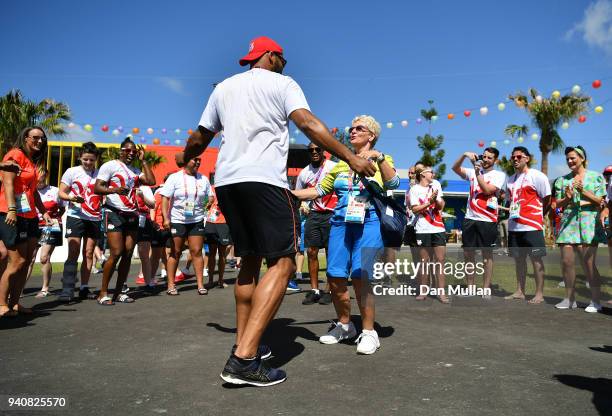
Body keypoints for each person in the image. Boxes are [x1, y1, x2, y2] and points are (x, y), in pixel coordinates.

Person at [180, 36, 375, 386]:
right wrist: (351, 157)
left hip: (227, 182)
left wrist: (184, 157)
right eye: (282, 58)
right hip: (264, 181)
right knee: (284, 263)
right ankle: (243, 359)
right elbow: (308, 124)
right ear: (271, 56)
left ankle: (246, 343)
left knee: (250, 261)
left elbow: (200, 137)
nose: (285, 63)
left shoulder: (223, 87)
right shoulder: (282, 83)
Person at [294, 115, 399, 354]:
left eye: (359, 129)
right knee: (334, 276)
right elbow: (320, 190)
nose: (352, 132)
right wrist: (291, 193)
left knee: (361, 275)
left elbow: (393, 183)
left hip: (370, 220)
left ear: (371, 135)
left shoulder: (383, 158)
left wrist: (379, 157)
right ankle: (345, 325)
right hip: (340, 222)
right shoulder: (340, 163)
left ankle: (370, 332)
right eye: (351, 129)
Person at [94, 138, 155, 305]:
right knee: (116, 252)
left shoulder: (135, 170)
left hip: (131, 214)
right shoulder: (110, 166)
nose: (131, 154)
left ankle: (119, 292)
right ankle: (103, 292)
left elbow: (151, 181)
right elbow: (97, 188)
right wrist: (114, 190)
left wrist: (143, 161)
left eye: (134, 152)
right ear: (120, 151)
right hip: (113, 212)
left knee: (128, 253)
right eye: (127, 151)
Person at [0, 126, 51, 317]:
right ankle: (1, 303)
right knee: (16, 261)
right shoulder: (15, 154)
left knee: (27, 260)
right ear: (26, 138)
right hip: (12, 213)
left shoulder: (31, 161)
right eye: (35, 138)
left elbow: (33, 191)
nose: (39, 141)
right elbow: (8, 182)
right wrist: (12, 209)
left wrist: (43, 211)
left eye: (42, 139)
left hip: (30, 216)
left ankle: (15, 303)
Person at [554, 146, 606, 313]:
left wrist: (582, 190)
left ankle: (596, 301)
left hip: (588, 221)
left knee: (588, 263)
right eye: (567, 159)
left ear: (582, 158)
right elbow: (556, 205)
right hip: (568, 220)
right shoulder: (562, 180)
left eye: (573, 158)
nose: (569, 161)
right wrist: (567, 198)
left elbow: (601, 202)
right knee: (566, 261)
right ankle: (569, 299)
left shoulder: (596, 177)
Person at [452, 148, 506, 296]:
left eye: (490, 158)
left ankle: (486, 288)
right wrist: (463, 155)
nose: (486, 160)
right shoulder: (472, 172)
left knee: (486, 255)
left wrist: (477, 173)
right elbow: (454, 168)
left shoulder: (499, 175)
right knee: (468, 254)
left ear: (495, 161)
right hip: (470, 218)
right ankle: (470, 287)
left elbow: (487, 190)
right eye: (484, 156)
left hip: (487, 220)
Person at [504, 146, 551, 304]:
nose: (515, 159)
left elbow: (547, 199)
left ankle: (539, 294)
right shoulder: (510, 180)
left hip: (532, 226)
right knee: (519, 260)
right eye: (513, 157)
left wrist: (537, 216)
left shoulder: (537, 176)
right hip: (514, 227)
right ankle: (520, 291)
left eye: (519, 156)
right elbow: (510, 202)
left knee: (536, 259)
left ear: (527, 158)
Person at [160, 156, 212, 296]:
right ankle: (171, 285)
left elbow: (210, 196)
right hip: (178, 220)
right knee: (176, 252)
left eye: (199, 159)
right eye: (194, 159)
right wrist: (166, 218)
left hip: (196, 220)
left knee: (196, 251)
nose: (198, 162)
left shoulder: (204, 179)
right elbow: (165, 198)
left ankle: (200, 285)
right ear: (186, 161)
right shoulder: (175, 178)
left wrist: (208, 202)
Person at [58, 141, 102, 301]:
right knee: (73, 252)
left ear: (96, 159)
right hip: (76, 216)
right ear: (80, 158)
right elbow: (61, 192)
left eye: (91, 160)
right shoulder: (71, 172)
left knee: (89, 253)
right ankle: (67, 289)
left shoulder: (101, 174)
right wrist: (71, 197)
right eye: (85, 159)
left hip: (94, 218)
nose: (88, 163)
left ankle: (84, 288)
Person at [296, 142, 337, 305]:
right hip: (314, 216)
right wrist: (302, 205)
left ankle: (330, 290)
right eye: (311, 150)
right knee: (311, 252)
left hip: (332, 215)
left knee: (330, 253)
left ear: (323, 150)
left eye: (317, 149)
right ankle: (314, 290)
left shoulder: (334, 167)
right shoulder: (304, 173)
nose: (314, 152)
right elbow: (298, 194)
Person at [410, 165, 449, 303]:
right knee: (424, 262)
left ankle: (441, 293)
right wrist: (429, 202)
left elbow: (440, 206)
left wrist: (436, 201)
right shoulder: (414, 189)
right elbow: (415, 209)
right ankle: (423, 291)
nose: (433, 174)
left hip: (438, 228)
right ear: (422, 174)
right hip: (422, 229)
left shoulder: (436, 184)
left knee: (440, 261)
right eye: (431, 172)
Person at [29, 166, 66, 298]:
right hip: (33, 225)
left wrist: (54, 219)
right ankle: (19, 288)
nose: (40, 177)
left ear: (46, 175)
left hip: (51, 226)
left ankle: (45, 288)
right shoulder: (29, 191)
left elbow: (62, 208)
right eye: (37, 174)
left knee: (44, 257)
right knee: (29, 258)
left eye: (42, 174)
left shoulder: (55, 191)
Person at [204, 186, 232, 289]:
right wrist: (207, 204)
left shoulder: (229, 187)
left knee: (222, 254)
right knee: (211, 253)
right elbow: (205, 203)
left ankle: (221, 280)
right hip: (211, 222)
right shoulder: (211, 188)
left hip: (223, 223)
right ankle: (210, 280)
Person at [134, 184, 157, 294]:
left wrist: (142, 196)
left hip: (144, 220)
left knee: (145, 254)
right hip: (128, 218)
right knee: (126, 253)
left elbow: (152, 205)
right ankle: (122, 284)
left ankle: (148, 284)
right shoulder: (123, 185)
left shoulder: (145, 188)